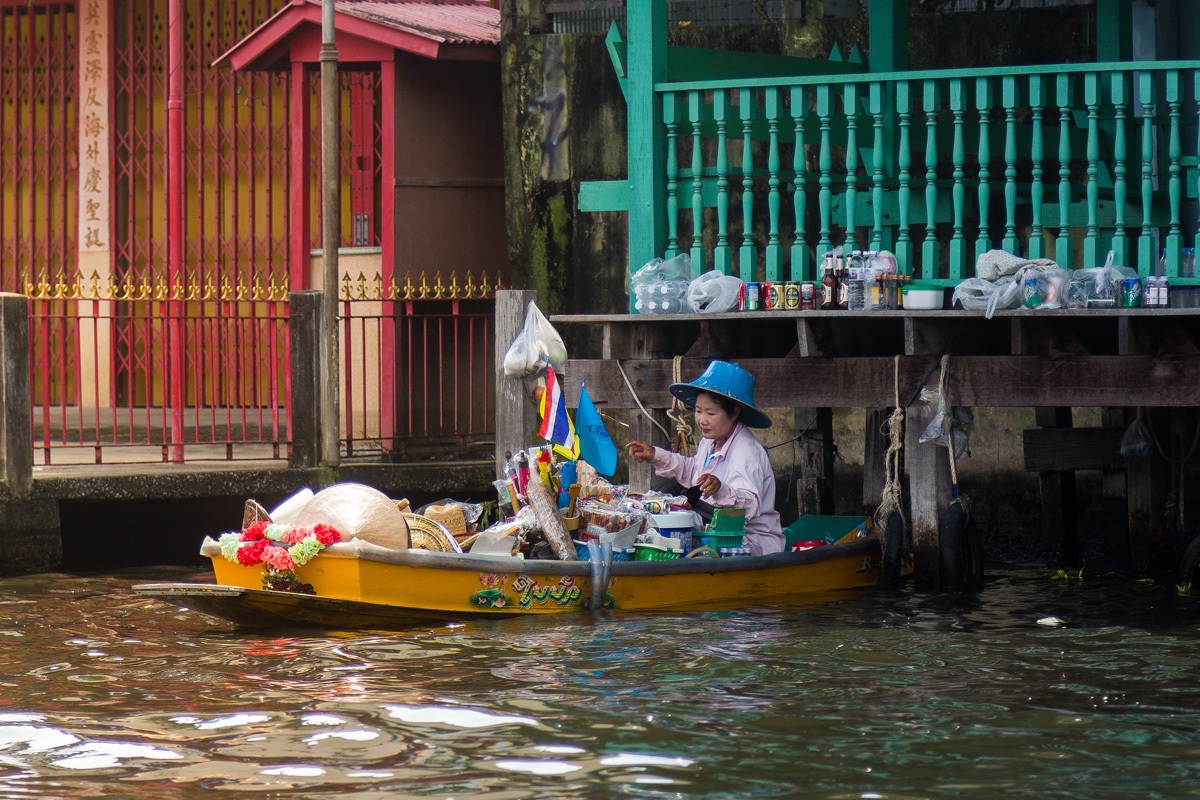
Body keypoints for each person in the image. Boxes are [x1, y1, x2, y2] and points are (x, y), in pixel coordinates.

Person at [626, 360, 783, 556]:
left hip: (749, 541)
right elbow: (693, 470)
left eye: (710, 413)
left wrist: (720, 488)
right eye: (698, 411)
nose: (701, 420)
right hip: (716, 531)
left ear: (734, 413)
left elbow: (748, 505)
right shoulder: (710, 441)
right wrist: (655, 455)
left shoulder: (747, 453)